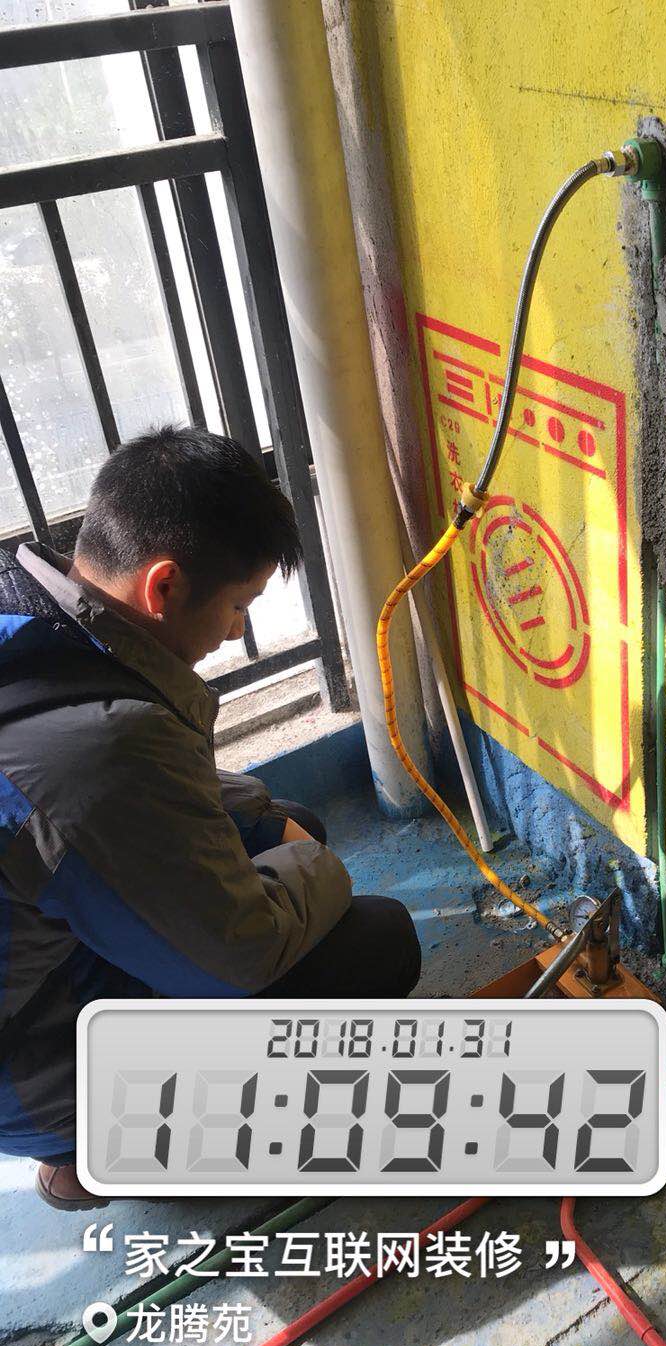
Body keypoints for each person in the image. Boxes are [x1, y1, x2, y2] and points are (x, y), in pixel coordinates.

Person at [0, 425, 421, 1210]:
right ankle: (96, 1145)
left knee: (283, 819)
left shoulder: (33, 615)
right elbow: (239, 958)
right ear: (163, 586)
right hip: (28, 1057)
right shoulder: (101, 747)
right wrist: (313, 863)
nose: (235, 631)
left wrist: (274, 825)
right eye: (237, 606)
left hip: (30, 968)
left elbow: (134, 787)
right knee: (376, 943)